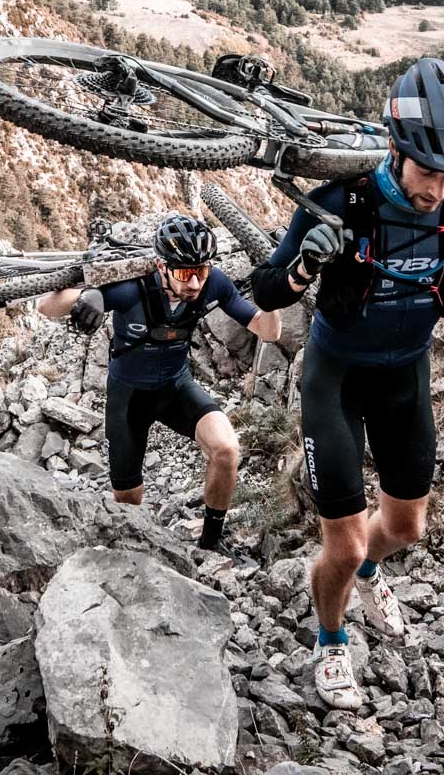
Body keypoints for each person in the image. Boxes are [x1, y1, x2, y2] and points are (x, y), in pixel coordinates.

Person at [248, 58, 444, 711]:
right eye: (429, 171)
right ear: (396, 151)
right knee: (343, 540)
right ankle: (330, 640)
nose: (439, 188)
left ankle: (369, 572)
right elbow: (269, 286)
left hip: (405, 376)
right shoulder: (341, 198)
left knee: (406, 528)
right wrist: (309, 264)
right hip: (334, 381)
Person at [39, 212, 282, 554]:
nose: (195, 284)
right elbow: (46, 307)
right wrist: (85, 295)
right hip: (128, 397)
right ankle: (134, 551)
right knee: (127, 498)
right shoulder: (131, 288)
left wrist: (272, 301)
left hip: (175, 388)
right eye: (185, 273)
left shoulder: (214, 283)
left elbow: (268, 332)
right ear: (161, 266)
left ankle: (211, 543)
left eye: (200, 271)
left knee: (226, 449)